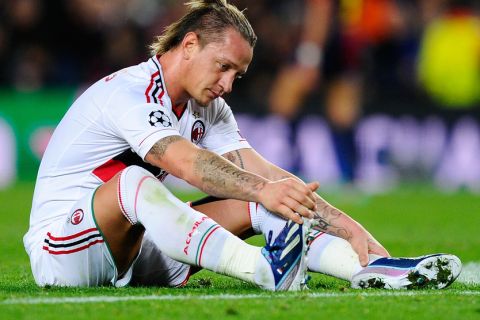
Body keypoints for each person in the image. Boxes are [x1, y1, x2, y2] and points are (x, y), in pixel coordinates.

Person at [24, 0, 461, 291]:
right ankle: (263, 271)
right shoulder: (131, 91)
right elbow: (185, 163)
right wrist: (259, 188)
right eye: (224, 67)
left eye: (238, 74)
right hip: (64, 252)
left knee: (270, 203)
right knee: (134, 180)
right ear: (189, 45)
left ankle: (372, 272)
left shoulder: (206, 106)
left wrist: (352, 229)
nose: (228, 84)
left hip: (133, 254)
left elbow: (265, 175)